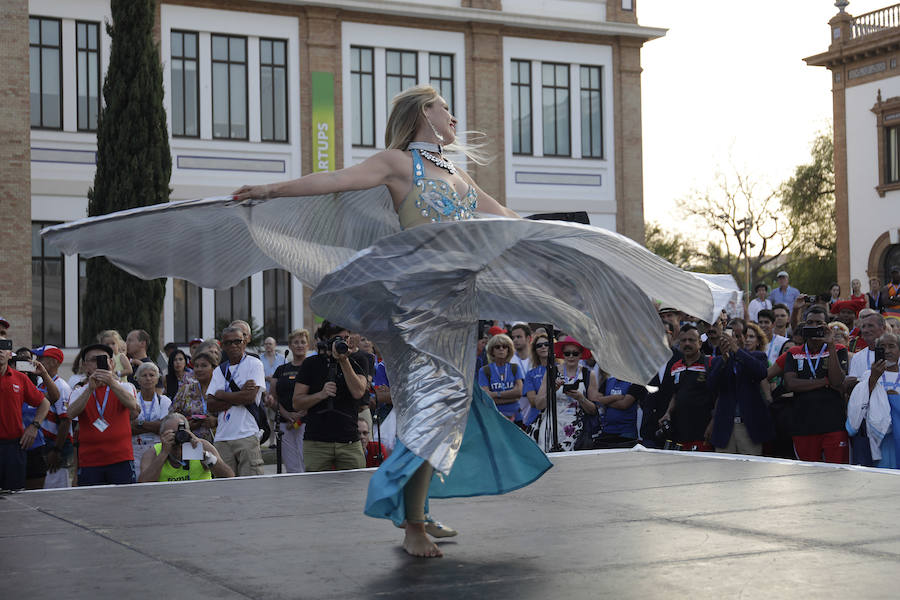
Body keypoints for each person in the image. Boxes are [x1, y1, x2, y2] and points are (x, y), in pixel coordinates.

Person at [43, 84, 714, 558]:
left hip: (459, 302)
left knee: (450, 408)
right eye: (446, 110)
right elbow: (336, 181)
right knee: (438, 402)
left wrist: (575, 255)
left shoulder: (454, 176)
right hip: (418, 298)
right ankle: (411, 521)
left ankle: (419, 509)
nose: (454, 119)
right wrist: (272, 190)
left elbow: (506, 223)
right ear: (425, 113)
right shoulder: (400, 163)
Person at [292, 323, 367, 472]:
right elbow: (297, 403)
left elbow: (358, 392)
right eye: (338, 339)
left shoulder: (358, 360)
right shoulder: (311, 364)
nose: (343, 342)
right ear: (326, 339)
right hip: (316, 442)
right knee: (316, 492)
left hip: (349, 440)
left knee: (353, 490)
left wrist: (343, 360)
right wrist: (321, 395)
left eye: (346, 338)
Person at [783, 306, 849, 464]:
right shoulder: (793, 352)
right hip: (803, 426)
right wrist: (824, 381)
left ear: (826, 326)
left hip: (833, 425)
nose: (814, 326)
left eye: (819, 323)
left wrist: (831, 345)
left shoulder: (838, 349)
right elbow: (791, 384)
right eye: (810, 322)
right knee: (807, 478)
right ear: (804, 326)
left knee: (836, 475)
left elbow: (837, 381)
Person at [67, 343, 140, 486]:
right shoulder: (79, 391)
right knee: (92, 504)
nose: (98, 363)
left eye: (103, 359)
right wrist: (89, 389)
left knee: (124, 501)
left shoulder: (125, 386)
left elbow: (132, 406)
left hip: (121, 458)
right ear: (85, 365)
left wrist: (111, 383)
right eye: (93, 360)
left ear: (111, 363)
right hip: (90, 460)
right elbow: (70, 414)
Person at [206, 327, 266, 477]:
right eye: (228, 343)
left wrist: (222, 394)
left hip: (246, 435)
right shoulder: (220, 370)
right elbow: (211, 405)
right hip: (222, 438)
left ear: (245, 342)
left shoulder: (254, 364)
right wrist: (239, 395)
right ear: (223, 346)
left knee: (250, 487)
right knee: (225, 489)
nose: (233, 345)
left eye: (237, 341)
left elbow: (249, 398)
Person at [707, 324, 773, 455]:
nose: (733, 340)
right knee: (723, 471)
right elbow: (711, 386)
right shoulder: (718, 361)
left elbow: (761, 372)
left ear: (744, 338)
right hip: (725, 428)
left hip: (748, 428)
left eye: (737, 337)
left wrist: (737, 350)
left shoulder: (757, 356)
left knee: (750, 471)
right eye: (730, 338)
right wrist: (725, 359)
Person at [1, 340, 51, 491]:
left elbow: (44, 403)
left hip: (13, 448)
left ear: (10, 354)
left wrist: (34, 426)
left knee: (15, 496)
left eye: (3, 348)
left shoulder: (20, 378)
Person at [532, 336, 597, 452]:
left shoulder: (588, 374)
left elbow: (593, 409)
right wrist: (553, 390)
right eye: (567, 353)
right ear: (562, 354)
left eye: (575, 353)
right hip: (551, 427)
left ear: (581, 355)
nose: (571, 356)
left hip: (576, 430)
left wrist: (581, 398)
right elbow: (538, 404)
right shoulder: (551, 372)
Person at [659, 324, 716, 452]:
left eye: (691, 340)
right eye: (683, 340)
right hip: (680, 433)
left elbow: (719, 396)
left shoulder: (711, 363)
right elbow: (676, 394)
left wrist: (713, 424)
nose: (687, 344)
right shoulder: (675, 367)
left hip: (703, 433)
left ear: (700, 343)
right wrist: (668, 413)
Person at [847, 333, 900, 468]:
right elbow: (859, 404)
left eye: (892, 346)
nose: (887, 351)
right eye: (882, 347)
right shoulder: (867, 375)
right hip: (877, 440)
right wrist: (873, 379)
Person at [138, 413, 234, 482]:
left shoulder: (202, 446)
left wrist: (205, 456)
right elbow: (143, 485)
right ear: (161, 436)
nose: (178, 437)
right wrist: (163, 453)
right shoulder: (153, 453)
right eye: (172, 433)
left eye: (181, 432)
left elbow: (228, 477)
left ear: (189, 432)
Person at [268, 328, 309, 473]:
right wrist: (287, 415)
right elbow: (273, 397)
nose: (299, 345)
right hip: (285, 423)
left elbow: (317, 394)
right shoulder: (281, 369)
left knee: (307, 465)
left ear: (308, 345)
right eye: (295, 342)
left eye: (303, 342)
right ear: (290, 346)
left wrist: (299, 416)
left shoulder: (313, 366)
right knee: (292, 468)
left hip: (306, 423)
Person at [32, 345, 73, 488]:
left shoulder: (62, 386)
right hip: (43, 445)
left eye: (40, 358)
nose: (36, 361)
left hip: (54, 447)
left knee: (54, 490)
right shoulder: (41, 384)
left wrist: (57, 450)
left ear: (54, 362)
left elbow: (66, 420)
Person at [169, 351, 217, 442]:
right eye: (196, 366)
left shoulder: (220, 390)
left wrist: (216, 421)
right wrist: (186, 425)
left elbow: (233, 416)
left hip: (218, 442)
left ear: (213, 368)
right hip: (190, 443)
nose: (199, 369)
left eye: (204, 366)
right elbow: (171, 417)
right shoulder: (186, 390)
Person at [131, 362, 172, 464]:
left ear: (157, 379)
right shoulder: (132, 400)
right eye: (144, 375)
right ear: (138, 379)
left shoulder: (164, 401)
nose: (148, 378)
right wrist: (155, 426)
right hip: (135, 451)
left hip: (158, 450)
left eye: (152, 375)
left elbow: (164, 428)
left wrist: (140, 423)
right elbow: (129, 428)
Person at [478, 333, 524, 422]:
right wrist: (512, 398)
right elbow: (486, 397)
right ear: (492, 350)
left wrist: (496, 395)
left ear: (509, 350)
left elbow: (519, 392)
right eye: (497, 347)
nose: (501, 349)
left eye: (505, 346)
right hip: (494, 417)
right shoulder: (484, 370)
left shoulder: (515, 368)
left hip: (516, 417)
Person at [523, 333, 551, 429]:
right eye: (539, 345)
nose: (543, 347)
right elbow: (533, 402)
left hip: (559, 418)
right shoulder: (531, 374)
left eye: (547, 344)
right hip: (536, 420)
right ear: (535, 350)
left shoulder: (562, 370)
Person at [508, 323, 532, 425]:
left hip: (534, 408)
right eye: (513, 337)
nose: (515, 340)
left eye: (519, 337)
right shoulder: (509, 360)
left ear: (528, 338)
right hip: (517, 409)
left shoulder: (537, 359)